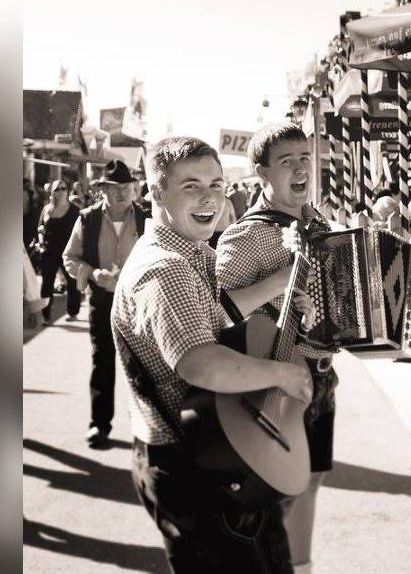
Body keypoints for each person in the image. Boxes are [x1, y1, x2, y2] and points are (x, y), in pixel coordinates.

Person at [112, 136, 313, 573]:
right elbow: (200, 362)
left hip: (209, 450)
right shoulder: (165, 269)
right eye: (191, 186)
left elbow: (214, 317)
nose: (209, 198)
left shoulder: (189, 253)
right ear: (156, 192)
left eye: (216, 185)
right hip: (196, 466)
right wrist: (281, 374)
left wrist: (281, 288)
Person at [214, 123, 338, 574]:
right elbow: (219, 313)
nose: (301, 168)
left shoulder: (319, 224)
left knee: (310, 480)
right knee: (274, 493)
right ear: (262, 172)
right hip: (273, 382)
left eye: (305, 158)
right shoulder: (245, 236)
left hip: (320, 378)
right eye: (287, 162)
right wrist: (280, 282)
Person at [62, 159, 146, 448]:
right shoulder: (88, 219)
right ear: (103, 190)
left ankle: (146, 431)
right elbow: (70, 257)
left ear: (133, 188)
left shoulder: (147, 218)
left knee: (142, 367)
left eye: (126, 187)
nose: (122, 193)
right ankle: (99, 424)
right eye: (114, 188)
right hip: (102, 301)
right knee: (103, 362)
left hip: (139, 304)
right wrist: (91, 273)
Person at [37, 178, 83, 323]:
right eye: (57, 189)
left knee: (72, 281)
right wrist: (40, 239)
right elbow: (40, 228)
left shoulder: (74, 210)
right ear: (52, 192)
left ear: (68, 191)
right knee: (47, 283)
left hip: (68, 252)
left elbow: (80, 232)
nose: (61, 191)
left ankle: (73, 312)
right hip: (49, 251)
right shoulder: (46, 209)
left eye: (63, 188)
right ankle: (45, 315)